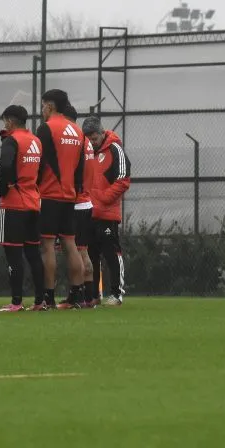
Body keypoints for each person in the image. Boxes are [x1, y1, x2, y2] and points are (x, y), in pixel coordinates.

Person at [36, 89, 86, 310]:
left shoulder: (46, 128)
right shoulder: (77, 131)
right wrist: (73, 190)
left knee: (47, 246)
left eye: (43, 105)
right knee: (70, 243)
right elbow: (80, 168)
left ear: (50, 106)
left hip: (48, 194)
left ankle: (48, 297)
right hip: (69, 196)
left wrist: (36, 187)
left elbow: (40, 162)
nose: (42, 110)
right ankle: (76, 296)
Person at [0, 105, 45, 312]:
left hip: (14, 203)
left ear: (10, 121)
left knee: (13, 255)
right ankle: (40, 300)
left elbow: (5, 166)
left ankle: (16, 302)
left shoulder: (11, 140)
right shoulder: (36, 141)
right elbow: (41, 169)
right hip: (33, 201)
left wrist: (5, 188)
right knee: (33, 253)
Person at [83, 117, 131, 307]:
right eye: (88, 139)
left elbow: (123, 180)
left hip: (107, 213)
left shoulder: (114, 149)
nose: (92, 143)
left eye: (94, 138)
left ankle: (116, 295)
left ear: (102, 134)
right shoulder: (85, 151)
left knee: (112, 254)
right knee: (91, 255)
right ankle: (95, 295)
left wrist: (102, 199)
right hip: (88, 213)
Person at [64, 105, 98, 306]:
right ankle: (89, 297)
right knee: (83, 250)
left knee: (74, 251)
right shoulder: (87, 143)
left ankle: (76, 296)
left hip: (76, 203)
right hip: (87, 202)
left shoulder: (74, 143)